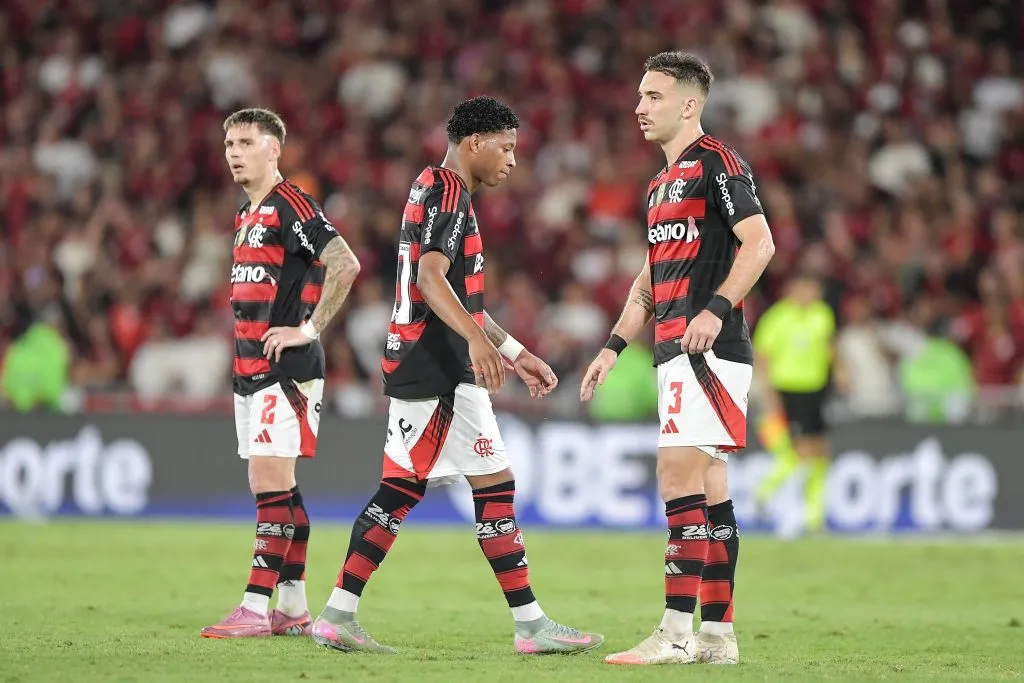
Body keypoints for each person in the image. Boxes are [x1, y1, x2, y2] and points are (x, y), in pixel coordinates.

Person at [310, 96, 603, 656]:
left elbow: (461, 296)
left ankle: (341, 614)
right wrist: (473, 341)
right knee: (465, 488)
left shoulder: (431, 186)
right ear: (475, 143)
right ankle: (530, 627)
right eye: (507, 147)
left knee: (431, 489)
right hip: (438, 366)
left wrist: (513, 349)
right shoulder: (449, 193)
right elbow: (429, 277)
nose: (513, 160)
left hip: (425, 360)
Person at [580, 52, 775, 666]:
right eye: (640, 96)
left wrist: (716, 308)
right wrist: (613, 347)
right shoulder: (659, 186)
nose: (640, 107)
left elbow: (760, 241)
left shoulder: (717, 163)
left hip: (708, 352)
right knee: (711, 488)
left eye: (653, 96)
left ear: (689, 104)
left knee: (677, 479)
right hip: (674, 353)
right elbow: (649, 277)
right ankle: (716, 635)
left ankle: (673, 634)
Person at [201, 109, 362, 638]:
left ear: (274, 150)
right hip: (248, 369)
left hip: (285, 370)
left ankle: (253, 607)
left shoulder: (292, 205)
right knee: (278, 489)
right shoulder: (246, 214)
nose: (233, 151)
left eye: (246, 141)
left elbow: (345, 263)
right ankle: (292, 607)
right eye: (229, 142)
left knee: (269, 482)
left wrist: (309, 329)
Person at [753, 273, 837, 534]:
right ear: (794, 288)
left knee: (821, 452)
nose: (813, 294)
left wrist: (840, 369)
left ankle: (815, 516)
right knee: (799, 452)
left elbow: (828, 347)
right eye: (808, 287)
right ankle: (765, 494)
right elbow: (763, 356)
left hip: (817, 390)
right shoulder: (777, 317)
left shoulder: (822, 314)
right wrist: (769, 393)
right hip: (788, 390)